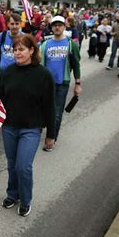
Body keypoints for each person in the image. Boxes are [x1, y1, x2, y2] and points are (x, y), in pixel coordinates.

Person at [0, 34, 55, 217]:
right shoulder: (7, 72)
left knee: (23, 166)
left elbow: (50, 106)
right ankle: (12, 194)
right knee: (12, 164)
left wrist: (51, 134)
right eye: (14, 49)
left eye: (21, 49)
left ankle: (25, 199)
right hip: (9, 127)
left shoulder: (43, 75)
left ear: (32, 50)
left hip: (31, 128)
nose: (17, 53)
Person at [40, 16, 82, 149]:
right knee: (43, 110)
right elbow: (40, 65)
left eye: (60, 25)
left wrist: (78, 83)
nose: (57, 27)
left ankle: (51, 139)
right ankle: (39, 132)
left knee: (57, 112)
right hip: (46, 84)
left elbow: (76, 64)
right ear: (51, 27)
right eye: (54, 25)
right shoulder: (45, 44)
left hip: (62, 83)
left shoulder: (71, 44)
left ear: (64, 27)